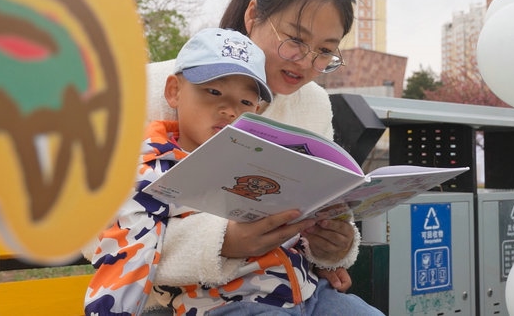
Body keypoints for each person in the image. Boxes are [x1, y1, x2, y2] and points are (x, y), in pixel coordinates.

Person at [85, 28, 382, 315]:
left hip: (309, 293)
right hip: (225, 303)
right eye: (214, 91)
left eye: (245, 102)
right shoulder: (156, 167)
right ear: (174, 91)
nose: (229, 110)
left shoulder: (268, 160)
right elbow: (125, 250)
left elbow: (297, 224)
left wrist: (327, 246)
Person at [144, 0, 361, 293]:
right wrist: (224, 243)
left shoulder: (314, 104)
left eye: (324, 51)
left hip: (290, 290)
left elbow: (319, 208)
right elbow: (102, 232)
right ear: (253, 15)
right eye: (295, 40)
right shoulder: (159, 87)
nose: (305, 63)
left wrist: (332, 248)